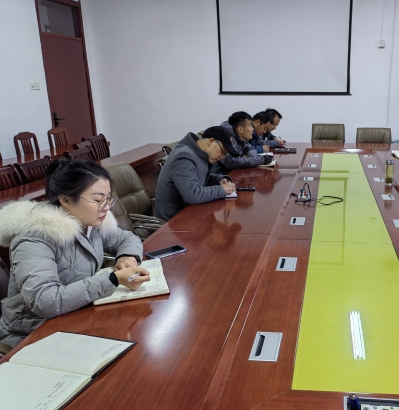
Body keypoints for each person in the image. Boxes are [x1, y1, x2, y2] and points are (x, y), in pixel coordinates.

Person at [0, 159, 150, 348]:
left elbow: (127, 238)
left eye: (109, 198)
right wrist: (112, 279)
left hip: (76, 318)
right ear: (66, 201)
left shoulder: (90, 222)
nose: (107, 207)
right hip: (32, 336)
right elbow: (44, 300)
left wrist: (127, 257)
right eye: (98, 200)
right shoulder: (34, 238)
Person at [155, 127, 238, 221]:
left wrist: (219, 180)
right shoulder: (184, 157)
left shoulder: (198, 153)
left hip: (189, 213)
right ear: (211, 141)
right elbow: (192, 195)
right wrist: (221, 190)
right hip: (173, 221)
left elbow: (198, 177)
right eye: (223, 151)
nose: (222, 157)